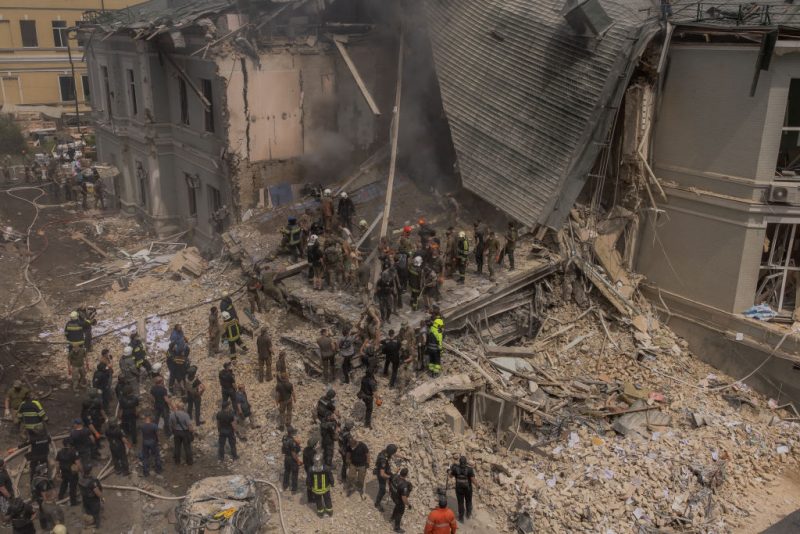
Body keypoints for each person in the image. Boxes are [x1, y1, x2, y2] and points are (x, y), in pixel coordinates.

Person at [449, 455, 478, 522]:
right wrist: (477, 486)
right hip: (468, 489)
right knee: (468, 501)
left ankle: (461, 518)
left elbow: (450, 476)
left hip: (459, 489)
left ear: (459, 462)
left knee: (460, 503)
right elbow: (473, 480)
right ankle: (468, 514)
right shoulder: (470, 469)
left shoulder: (455, 469)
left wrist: (449, 470)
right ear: (466, 462)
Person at [169, 401, 194, 465]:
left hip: (176, 432)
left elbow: (171, 425)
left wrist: (173, 430)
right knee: (187, 447)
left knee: (177, 447)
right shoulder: (185, 415)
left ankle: (177, 461)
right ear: (183, 407)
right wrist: (192, 431)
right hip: (185, 432)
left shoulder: (172, 414)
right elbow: (189, 425)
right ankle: (189, 461)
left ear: (177, 407)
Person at [55, 438, 79, 506]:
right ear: (68, 444)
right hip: (72, 473)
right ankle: (73, 502)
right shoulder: (73, 452)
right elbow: (78, 463)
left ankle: (60, 496)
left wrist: (58, 472)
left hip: (64, 471)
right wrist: (81, 471)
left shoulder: (59, 452)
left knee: (64, 483)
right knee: (72, 488)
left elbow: (57, 463)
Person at [374, 444, 397, 512]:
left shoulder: (385, 451)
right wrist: (390, 476)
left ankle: (391, 492)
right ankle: (377, 503)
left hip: (386, 469)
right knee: (382, 490)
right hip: (381, 474)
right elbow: (382, 474)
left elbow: (394, 454)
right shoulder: (383, 460)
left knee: (392, 481)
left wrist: (403, 457)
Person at [390, 467, 412, 533]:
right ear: (406, 475)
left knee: (397, 506)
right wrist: (408, 504)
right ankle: (397, 528)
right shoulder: (404, 485)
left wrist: (396, 470)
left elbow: (392, 477)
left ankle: (392, 517)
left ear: (400, 472)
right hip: (399, 500)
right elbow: (404, 498)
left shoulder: (395, 476)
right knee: (400, 513)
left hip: (393, 496)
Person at [281, 426, 302, 493]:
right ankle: (294, 489)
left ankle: (285, 485)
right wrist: (298, 461)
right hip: (292, 459)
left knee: (287, 472)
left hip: (286, 457)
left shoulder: (284, 438)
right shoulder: (292, 442)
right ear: (291, 433)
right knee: (294, 473)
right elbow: (293, 453)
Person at [302, 437, 319, 502]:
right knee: (314, 483)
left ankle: (310, 498)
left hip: (307, 468)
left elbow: (304, 460)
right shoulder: (313, 452)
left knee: (309, 482)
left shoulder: (305, 450)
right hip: (312, 469)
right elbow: (315, 462)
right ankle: (313, 497)